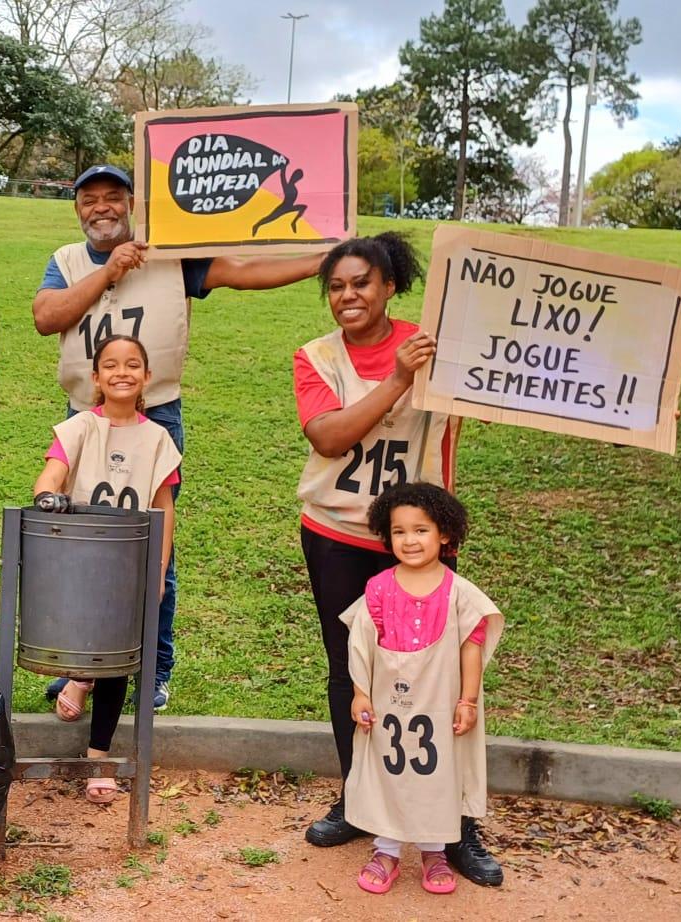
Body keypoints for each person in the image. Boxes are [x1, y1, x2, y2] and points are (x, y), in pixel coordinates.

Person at [33, 164, 321, 712]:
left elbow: (241, 270)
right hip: (84, 421)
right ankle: (87, 661)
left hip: (155, 418)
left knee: (152, 547)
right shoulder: (66, 262)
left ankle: (154, 666)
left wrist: (321, 261)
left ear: (132, 203)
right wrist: (108, 272)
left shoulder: (170, 256)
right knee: (84, 548)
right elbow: (47, 317)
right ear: (77, 209)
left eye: (113, 198)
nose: (102, 208)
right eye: (90, 199)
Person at [293, 232, 501, 886]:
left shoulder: (431, 342)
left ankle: (457, 829)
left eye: (361, 283)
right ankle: (360, 802)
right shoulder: (316, 357)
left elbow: (507, 385)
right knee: (348, 673)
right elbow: (327, 436)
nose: (347, 295)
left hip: (417, 542)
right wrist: (397, 379)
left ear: (388, 287)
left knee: (442, 684)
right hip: (334, 532)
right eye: (336, 286)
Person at [31, 335, 178, 804]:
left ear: (147, 377)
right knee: (78, 636)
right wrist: (47, 496)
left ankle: (100, 758)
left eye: (133, 364)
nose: (122, 372)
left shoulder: (158, 438)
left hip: (127, 564)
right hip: (79, 559)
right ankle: (79, 676)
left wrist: (159, 567)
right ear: (95, 377)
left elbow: (163, 506)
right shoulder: (78, 429)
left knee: (116, 658)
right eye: (110, 365)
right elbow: (52, 474)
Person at [340, 482, 503, 895]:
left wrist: (468, 700)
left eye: (421, 530)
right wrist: (361, 692)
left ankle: (435, 851)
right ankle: (386, 849)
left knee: (438, 774)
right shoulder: (378, 589)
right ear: (386, 535)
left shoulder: (460, 593)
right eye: (399, 531)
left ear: (445, 533)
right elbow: (361, 645)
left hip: (440, 703)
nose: (409, 540)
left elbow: (472, 647)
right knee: (386, 772)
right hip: (387, 705)